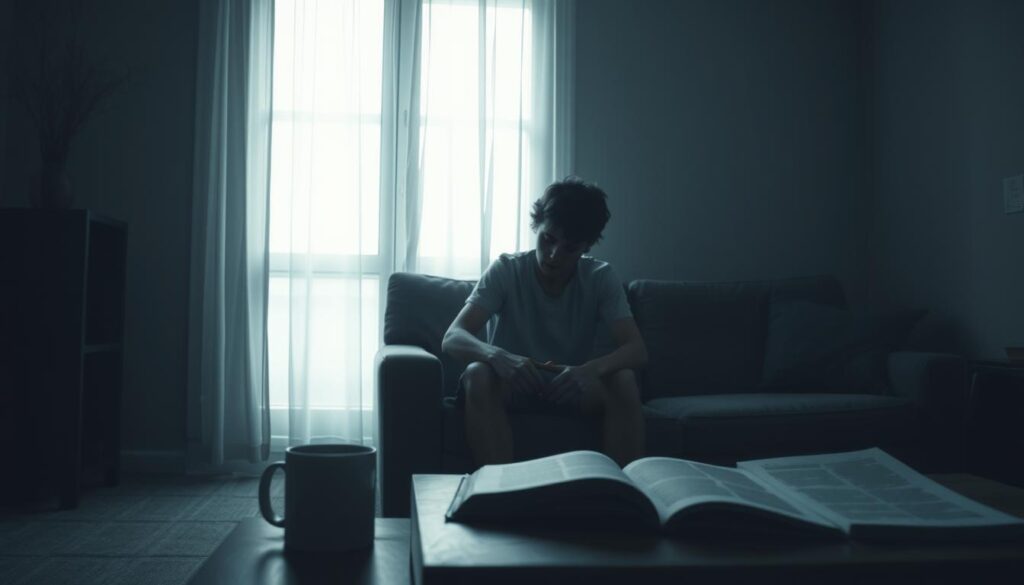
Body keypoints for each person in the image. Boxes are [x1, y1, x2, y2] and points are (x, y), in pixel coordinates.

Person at [441, 177, 648, 468]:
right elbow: (452, 337)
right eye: (548, 239)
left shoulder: (600, 276)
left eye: (569, 248)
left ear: (586, 247)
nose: (554, 255)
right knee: (478, 373)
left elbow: (637, 350)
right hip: (513, 384)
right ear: (537, 227)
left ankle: (624, 497)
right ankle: (499, 492)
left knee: (624, 380)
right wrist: (498, 357)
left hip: (570, 386)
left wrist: (589, 371)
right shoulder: (506, 269)